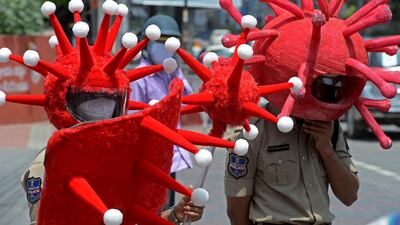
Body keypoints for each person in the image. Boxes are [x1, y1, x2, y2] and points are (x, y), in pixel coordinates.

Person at [21, 88, 203, 225]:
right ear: (69, 104)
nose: (101, 107)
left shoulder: (126, 160)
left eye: (110, 99)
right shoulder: (48, 162)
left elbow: (136, 218)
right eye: (90, 99)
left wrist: (175, 215)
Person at [225, 87, 360, 225]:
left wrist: (326, 150)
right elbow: (236, 211)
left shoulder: (330, 126)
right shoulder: (252, 131)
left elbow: (349, 195)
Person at [129, 15, 194, 208]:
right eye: (159, 42)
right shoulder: (140, 77)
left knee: (168, 207)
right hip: (147, 155)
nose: (164, 47)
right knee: (149, 209)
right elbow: (132, 118)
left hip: (170, 153)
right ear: (146, 43)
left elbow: (188, 102)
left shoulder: (175, 72)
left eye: (169, 42)